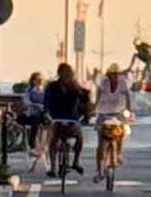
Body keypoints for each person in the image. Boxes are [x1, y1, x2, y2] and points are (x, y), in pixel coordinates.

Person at [41, 56, 90, 185]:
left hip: (71, 117)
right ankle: (53, 167)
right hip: (56, 116)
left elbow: (85, 100)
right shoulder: (52, 87)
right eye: (64, 74)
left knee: (79, 135)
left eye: (68, 74)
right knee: (53, 138)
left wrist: (79, 89)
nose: (66, 76)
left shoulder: (74, 87)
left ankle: (76, 161)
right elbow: (46, 102)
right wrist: (46, 114)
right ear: (59, 74)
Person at [90, 62, 131, 187]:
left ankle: (118, 153)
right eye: (112, 74)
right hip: (103, 113)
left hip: (117, 112)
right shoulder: (104, 83)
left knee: (122, 131)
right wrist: (94, 109)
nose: (115, 76)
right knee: (101, 143)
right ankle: (98, 170)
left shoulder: (123, 83)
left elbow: (127, 97)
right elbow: (98, 96)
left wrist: (129, 111)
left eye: (117, 74)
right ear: (109, 75)